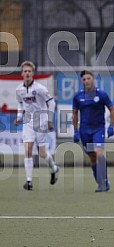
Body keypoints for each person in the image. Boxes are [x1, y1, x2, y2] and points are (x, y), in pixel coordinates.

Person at [14, 60, 59, 191]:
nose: (27, 73)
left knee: (42, 152)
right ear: (21, 73)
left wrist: (49, 119)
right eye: (25, 71)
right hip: (28, 121)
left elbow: (52, 103)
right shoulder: (19, 89)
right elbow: (20, 104)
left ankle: (54, 168)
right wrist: (18, 116)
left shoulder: (40, 89)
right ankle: (29, 181)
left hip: (42, 120)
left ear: (33, 73)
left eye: (29, 71)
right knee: (27, 149)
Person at [72, 70, 114, 192]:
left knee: (99, 153)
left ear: (93, 79)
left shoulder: (101, 94)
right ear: (81, 81)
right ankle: (100, 182)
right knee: (92, 157)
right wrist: (75, 131)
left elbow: (112, 110)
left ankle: (104, 181)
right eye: (84, 79)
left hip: (98, 129)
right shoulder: (77, 96)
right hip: (84, 131)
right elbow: (75, 114)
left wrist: (111, 126)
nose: (86, 81)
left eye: (88, 78)